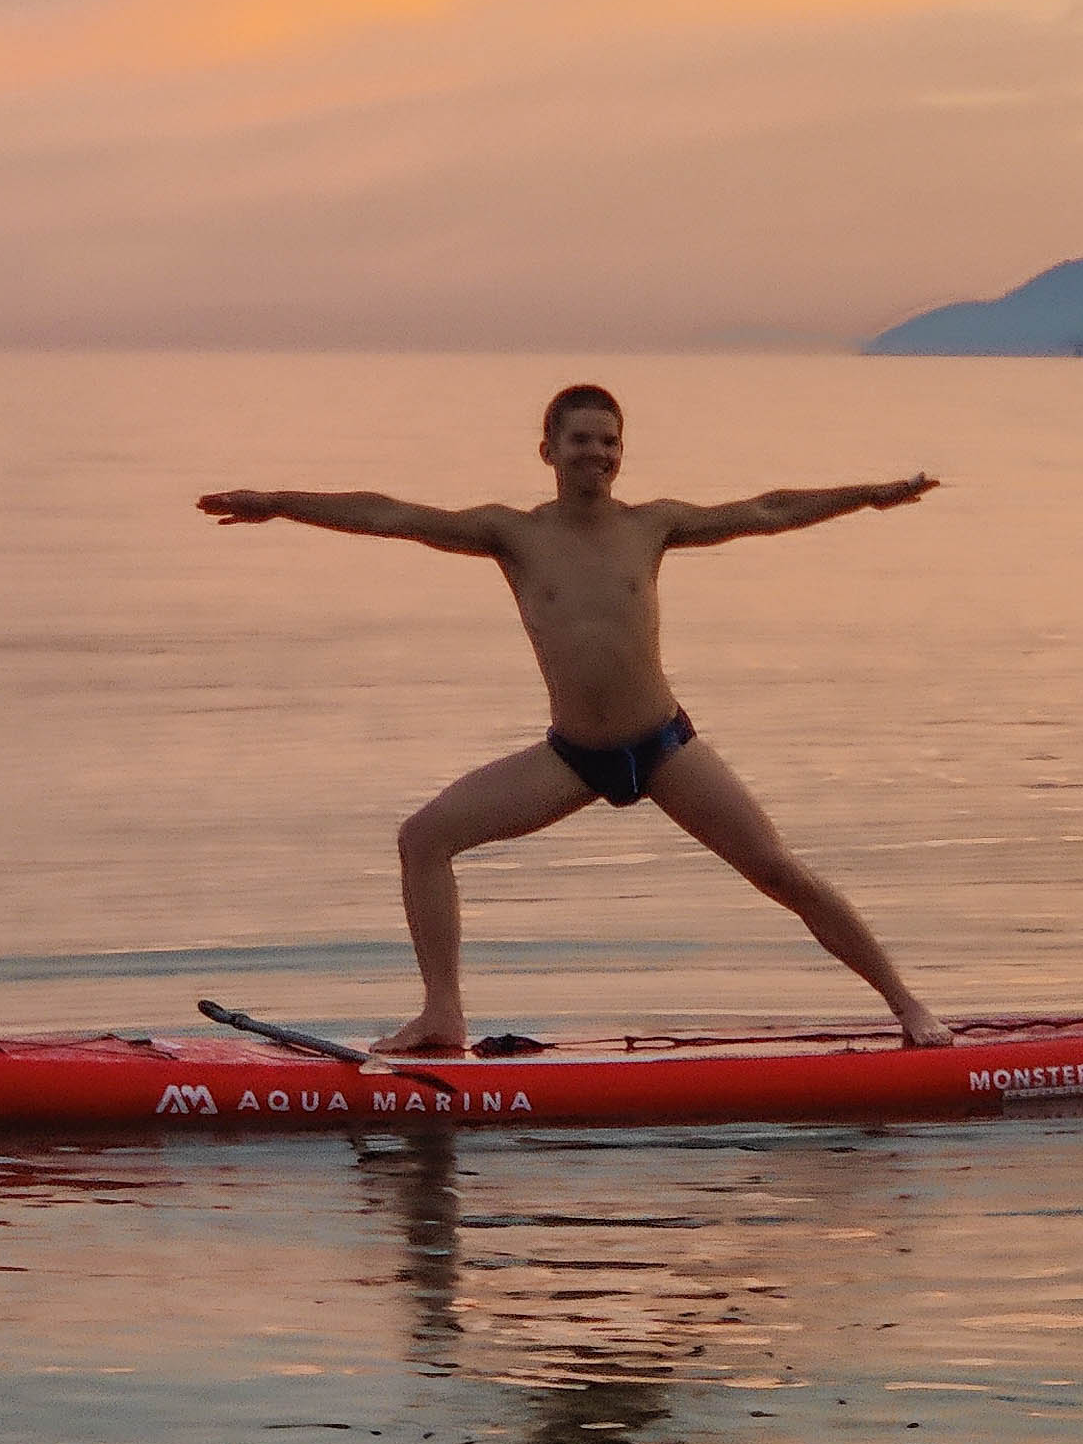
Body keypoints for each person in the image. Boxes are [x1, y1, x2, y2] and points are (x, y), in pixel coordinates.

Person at [197, 383, 951, 1054]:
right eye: (582, 440)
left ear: (622, 453)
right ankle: (442, 1015)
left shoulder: (652, 525)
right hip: (572, 758)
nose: (597, 453)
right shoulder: (513, 534)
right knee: (423, 839)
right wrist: (278, 503)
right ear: (549, 450)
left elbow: (767, 510)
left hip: (664, 747)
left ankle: (909, 1007)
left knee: (779, 871)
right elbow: (388, 515)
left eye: (610, 441)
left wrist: (871, 496)